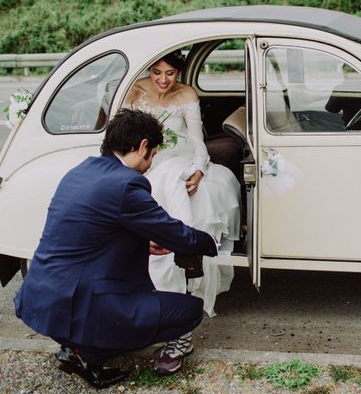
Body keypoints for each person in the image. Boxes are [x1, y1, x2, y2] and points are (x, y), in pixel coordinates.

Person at [14, 109, 219, 389]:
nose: (151, 162)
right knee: (190, 311)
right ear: (143, 146)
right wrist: (210, 242)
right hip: (78, 300)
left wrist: (144, 244)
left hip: (42, 298)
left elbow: (91, 233)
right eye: (154, 153)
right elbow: (175, 233)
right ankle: (88, 353)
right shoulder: (127, 183)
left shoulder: (81, 170)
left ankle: (76, 346)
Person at [125, 50, 241, 373]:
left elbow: (197, 141)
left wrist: (200, 170)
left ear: (179, 73)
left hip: (180, 162)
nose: (163, 81)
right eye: (157, 73)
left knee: (172, 191)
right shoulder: (134, 91)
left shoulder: (186, 94)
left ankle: (180, 252)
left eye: (170, 74)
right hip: (144, 164)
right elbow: (121, 137)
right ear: (150, 70)